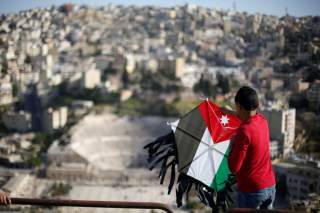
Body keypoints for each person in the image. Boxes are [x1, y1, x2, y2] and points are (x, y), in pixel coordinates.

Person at [226, 86, 276, 209]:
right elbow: (247, 118)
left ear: (239, 106)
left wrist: (231, 145)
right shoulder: (262, 120)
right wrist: (229, 112)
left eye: (236, 108)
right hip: (270, 186)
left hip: (252, 191)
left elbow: (234, 167)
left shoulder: (244, 131)